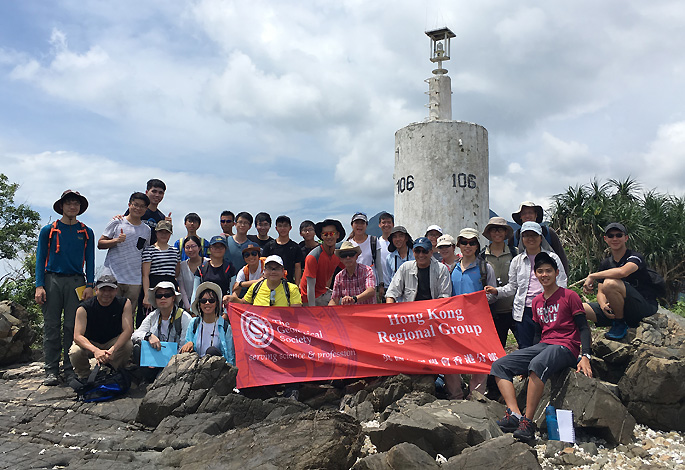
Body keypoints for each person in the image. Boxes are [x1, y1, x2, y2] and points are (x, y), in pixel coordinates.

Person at [491, 252, 592, 442]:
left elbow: (583, 328)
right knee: (499, 365)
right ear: (535, 274)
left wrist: (585, 355)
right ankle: (515, 415)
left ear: (556, 273)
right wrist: (526, 361)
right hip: (544, 346)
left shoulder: (570, 296)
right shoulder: (537, 301)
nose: (544, 275)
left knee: (537, 364)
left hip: (566, 346)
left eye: (548, 271)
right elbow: (538, 334)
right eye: (540, 271)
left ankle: (527, 423)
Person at [35, 190, 95, 385]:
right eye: (69, 203)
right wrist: (39, 285)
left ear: (80, 207)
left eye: (76, 204)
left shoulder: (86, 231)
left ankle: (70, 369)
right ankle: (50, 370)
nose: (72, 206)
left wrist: (90, 285)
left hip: (77, 281)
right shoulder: (49, 230)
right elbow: (40, 258)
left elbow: (91, 261)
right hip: (52, 279)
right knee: (51, 325)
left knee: (72, 326)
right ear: (62, 206)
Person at [485, 222, 567, 349]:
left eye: (534, 235)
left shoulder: (553, 258)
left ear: (541, 237)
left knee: (547, 346)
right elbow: (512, 287)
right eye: (526, 235)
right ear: (522, 239)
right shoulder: (517, 261)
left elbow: (562, 283)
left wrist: (561, 306)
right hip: (524, 311)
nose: (530, 238)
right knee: (525, 348)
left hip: (547, 309)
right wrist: (497, 291)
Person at [582, 222, 659, 340]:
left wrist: (592, 276)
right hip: (616, 308)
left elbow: (623, 272)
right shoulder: (606, 264)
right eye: (611, 236)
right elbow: (601, 292)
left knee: (610, 283)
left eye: (619, 235)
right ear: (605, 239)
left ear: (626, 238)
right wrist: (603, 306)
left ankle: (619, 323)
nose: (615, 238)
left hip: (642, 306)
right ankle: (584, 347)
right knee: (579, 309)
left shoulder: (635, 257)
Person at [445, 228, 496, 400]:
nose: (468, 246)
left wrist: (478, 305)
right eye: (464, 242)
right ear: (458, 245)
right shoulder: (452, 269)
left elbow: (492, 294)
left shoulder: (485, 268)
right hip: (454, 323)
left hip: (478, 323)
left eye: (472, 242)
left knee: (480, 358)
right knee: (450, 359)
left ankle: (476, 396)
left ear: (476, 246)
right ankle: (455, 395)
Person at [69, 272, 134, 380]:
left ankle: (115, 371)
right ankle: (84, 376)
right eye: (103, 289)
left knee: (128, 345)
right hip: (91, 341)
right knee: (75, 351)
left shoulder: (124, 303)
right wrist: (95, 350)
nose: (106, 293)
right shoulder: (84, 308)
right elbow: (77, 336)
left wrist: (113, 349)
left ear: (116, 290)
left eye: (110, 290)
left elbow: (128, 330)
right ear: (96, 290)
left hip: (112, 340)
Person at [98, 192, 151, 309]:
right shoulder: (117, 222)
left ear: (146, 209)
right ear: (129, 205)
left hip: (134, 280)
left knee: (129, 315)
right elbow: (100, 244)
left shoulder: (146, 230)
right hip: (112, 277)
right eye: (135, 205)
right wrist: (116, 240)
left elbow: (144, 253)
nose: (138, 208)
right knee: (107, 312)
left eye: (142, 206)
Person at [131, 282, 193, 380]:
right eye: (159, 295)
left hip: (175, 362)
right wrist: (149, 336)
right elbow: (135, 335)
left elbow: (183, 346)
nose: (163, 298)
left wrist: (168, 363)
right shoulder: (153, 316)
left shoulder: (184, 317)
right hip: (154, 360)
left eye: (167, 295)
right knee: (137, 349)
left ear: (173, 298)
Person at [481, 217, 518, 348]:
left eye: (500, 230)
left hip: (514, 309)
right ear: (489, 233)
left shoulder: (515, 253)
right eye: (494, 230)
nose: (497, 233)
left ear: (505, 233)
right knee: (497, 348)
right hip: (494, 311)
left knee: (525, 345)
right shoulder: (482, 256)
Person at [179, 282, 235, 364]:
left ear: (216, 303)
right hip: (196, 368)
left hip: (217, 370)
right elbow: (187, 345)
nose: (207, 303)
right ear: (199, 304)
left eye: (211, 300)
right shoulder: (194, 323)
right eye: (203, 301)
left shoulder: (225, 326)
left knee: (211, 351)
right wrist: (189, 344)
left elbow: (230, 355)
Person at [385, 237, 451, 303]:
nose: (421, 255)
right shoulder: (405, 268)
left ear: (431, 252)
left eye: (424, 251)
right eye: (417, 251)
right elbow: (391, 293)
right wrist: (389, 308)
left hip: (433, 310)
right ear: (413, 252)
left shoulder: (441, 269)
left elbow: (444, 295)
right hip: (410, 310)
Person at [510, 201, 569, 273]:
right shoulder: (515, 236)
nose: (527, 216)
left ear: (536, 215)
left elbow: (561, 255)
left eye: (530, 213)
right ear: (520, 217)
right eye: (524, 213)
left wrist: (564, 277)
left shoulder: (547, 232)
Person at [300, 219, 346, 306]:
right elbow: (310, 287)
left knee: (348, 302)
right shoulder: (313, 257)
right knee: (341, 305)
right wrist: (312, 310)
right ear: (321, 236)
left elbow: (349, 269)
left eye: (332, 233)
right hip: (309, 297)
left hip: (323, 291)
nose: (329, 237)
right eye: (325, 234)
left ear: (338, 235)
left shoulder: (338, 253)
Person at [141, 220, 180, 312]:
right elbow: (145, 275)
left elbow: (177, 272)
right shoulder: (149, 250)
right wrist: (147, 295)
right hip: (154, 283)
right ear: (156, 233)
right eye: (161, 232)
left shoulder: (175, 251)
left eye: (166, 232)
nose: (163, 235)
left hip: (170, 283)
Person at [234, 255, 302, 307]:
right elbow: (243, 303)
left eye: (277, 268)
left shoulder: (291, 289)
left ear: (282, 271)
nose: (273, 271)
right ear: (264, 271)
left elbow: (296, 313)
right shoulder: (256, 287)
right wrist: (232, 299)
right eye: (269, 268)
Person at [193, 236, 237, 309]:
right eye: (215, 247)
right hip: (205, 308)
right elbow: (195, 292)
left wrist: (226, 313)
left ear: (225, 249)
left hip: (223, 309)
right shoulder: (201, 268)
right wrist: (194, 309)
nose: (218, 249)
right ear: (210, 249)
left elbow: (232, 292)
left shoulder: (230, 268)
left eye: (221, 247)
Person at [329, 241, 376, 305]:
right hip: (350, 314)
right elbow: (334, 299)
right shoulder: (339, 277)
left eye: (351, 254)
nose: (348, 257)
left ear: (356, 256)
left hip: (367, 313)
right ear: (340, 259)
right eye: (344, 255)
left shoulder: (367, 270)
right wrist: (327, 312)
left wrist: (354, 299)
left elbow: (371, 291)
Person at [262, 215, 304, 285]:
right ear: (276, 228)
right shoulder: (269, 246)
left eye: (285, 226)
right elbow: (264, 265)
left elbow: (297, 268)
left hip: (289, 283)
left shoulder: (295, 247)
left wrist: (297, 285)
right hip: (271, 283)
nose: (282, 228)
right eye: (280, 226)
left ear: (290, 228)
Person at [347, 212, 381, 280]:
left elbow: (378, 264)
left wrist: (381, 283)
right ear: (352, 225)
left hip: (371, 282)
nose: (359, 225)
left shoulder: (373, 241)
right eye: (357, 223)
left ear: (366, 225)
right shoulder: (348, 243)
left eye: (362, 223)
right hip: (354, 283)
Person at [178, 235, 207, 310]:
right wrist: (189, 308)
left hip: (207, 305)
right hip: (187, 308)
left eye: (193, 246)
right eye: (187, 247)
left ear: (199, 248)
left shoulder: (208, 263)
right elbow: (182, 289)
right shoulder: (182, 266)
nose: (190, 250)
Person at [377, 212, 394, 297]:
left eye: (389, 222)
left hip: (398, 286)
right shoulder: (376, 244)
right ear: (379, 225)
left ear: (393, 224)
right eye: (383, 222)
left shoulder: (398, 243)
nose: (386, 225)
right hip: (383, 287)